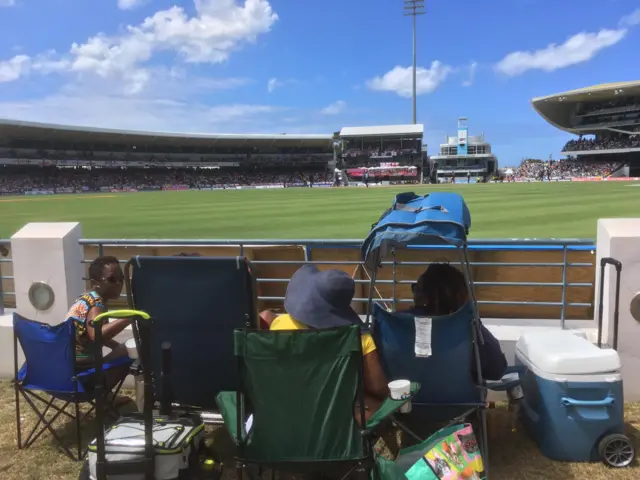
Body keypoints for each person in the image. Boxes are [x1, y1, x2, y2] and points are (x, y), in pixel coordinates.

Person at [261, 265, 389, 424]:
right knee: (379, 405)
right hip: (333, 418)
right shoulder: (358, 339)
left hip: (285, 412)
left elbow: (265, 317)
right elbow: (377, 387)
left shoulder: (279, 325)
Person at [405, 263, 507, 381]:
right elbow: (496, 370)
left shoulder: (399, 324)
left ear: (424, 297)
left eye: (416, 288)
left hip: (411, 397)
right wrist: (474, 321)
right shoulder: (465, 330)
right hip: (462, 398)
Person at [66, 256, 132, 393]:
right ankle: (104, 399)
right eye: (112, 279)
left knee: (121, 348)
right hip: (83, 374)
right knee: (132, 351)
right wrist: (130, 317)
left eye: (121, 278)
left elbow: (85, 334)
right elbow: (97, 335)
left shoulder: (84, 298)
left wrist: (114, 345)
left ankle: (106, 399)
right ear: (95, 282)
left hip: (65, 371)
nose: (119, 284)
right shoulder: (96, 304)